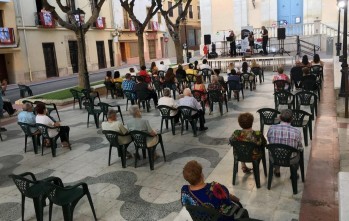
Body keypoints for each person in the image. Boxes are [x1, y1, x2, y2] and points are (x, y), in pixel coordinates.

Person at [267, 109, 303, 177]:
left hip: (275, 157)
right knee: (299, 152)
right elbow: (300, 146)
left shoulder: (271, 128)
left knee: (275, 149)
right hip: (291, 159)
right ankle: (294, 173)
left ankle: (277, 170)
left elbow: (269, 141)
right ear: (292, 119)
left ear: (280, 118)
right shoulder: (297, 131)